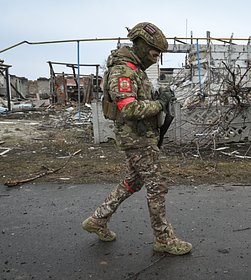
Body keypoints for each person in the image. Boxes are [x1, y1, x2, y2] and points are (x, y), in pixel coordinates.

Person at [82, 22, 192, 255]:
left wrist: (159, 96)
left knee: (135, 181)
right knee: (157, 186)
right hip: (137, 139)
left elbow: (139, 99)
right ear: (141, 47)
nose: (156, 59)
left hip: (141, 136)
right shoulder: (123, 71)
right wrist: (159, 103)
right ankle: (163, 238)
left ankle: (98, 219)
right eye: (154, 54)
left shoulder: (134, 69)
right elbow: (129, 108)